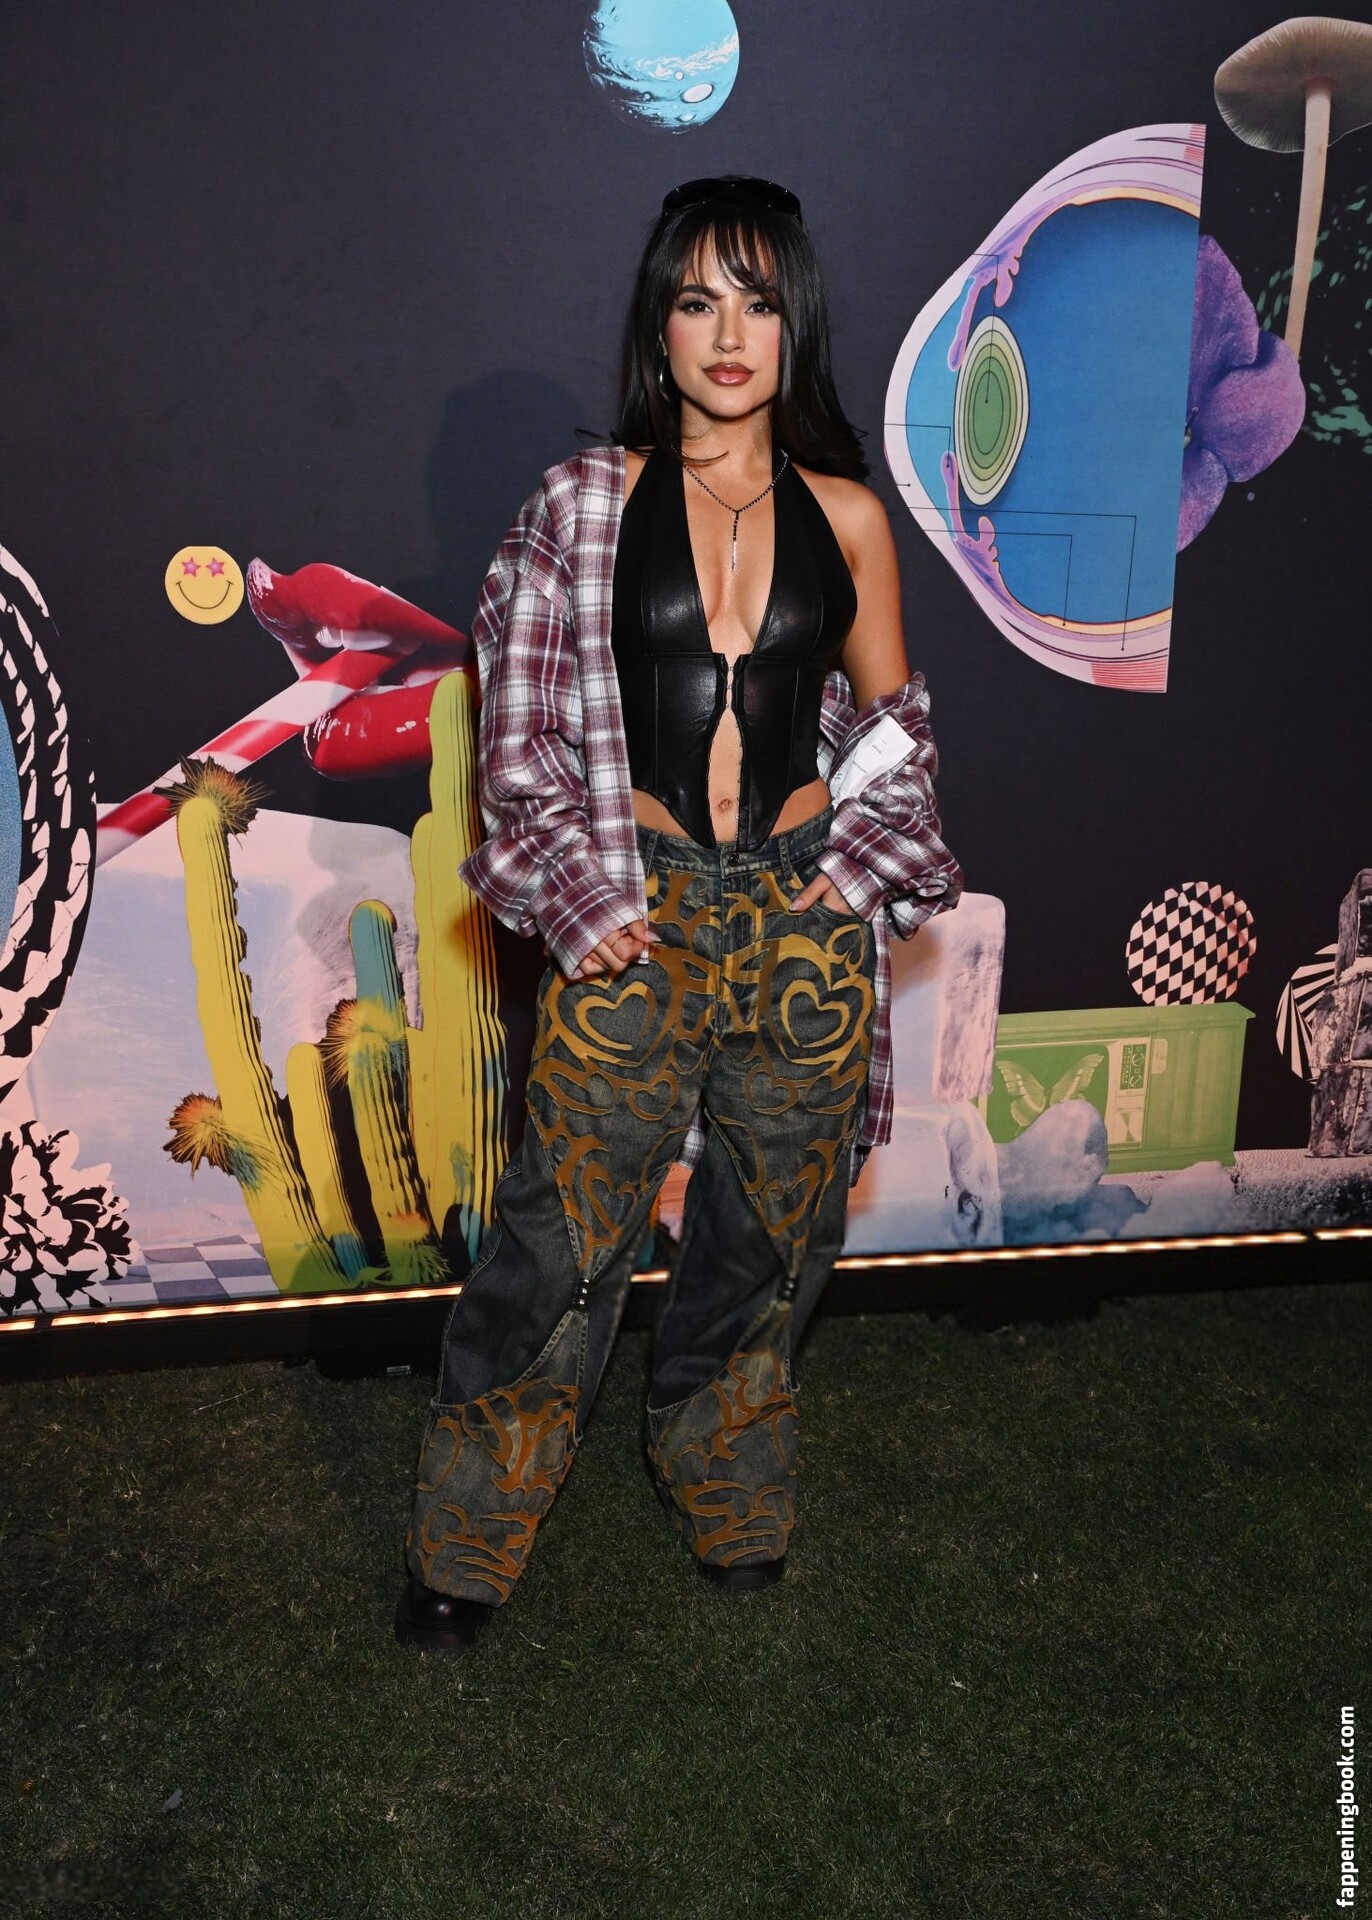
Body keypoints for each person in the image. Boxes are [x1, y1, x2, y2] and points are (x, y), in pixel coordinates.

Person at [396, 176, 962, 1651]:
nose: (728, 333)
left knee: (774, 1236)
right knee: (559, 1239)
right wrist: (584, 899)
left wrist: (853, 876)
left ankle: (726, 1480)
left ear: (795, 324)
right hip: (632, 911)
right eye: (699, 299)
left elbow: (894, 730)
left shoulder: (850, 515)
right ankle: (471, 1536)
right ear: (659, 324)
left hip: (801, 914)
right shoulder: (584, 505)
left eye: (758, 301)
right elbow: (517, 732)